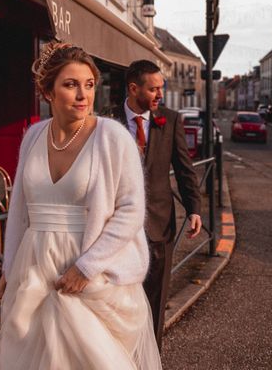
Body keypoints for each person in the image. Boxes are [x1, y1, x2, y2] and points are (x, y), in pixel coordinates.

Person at [0, 42, 161, 369]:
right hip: (34, 265)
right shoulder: (33, 136)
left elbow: (130, 211)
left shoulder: (113, 137)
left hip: (86, 267)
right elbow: (19, 210)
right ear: (48, 92)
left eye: (88, 85)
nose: (83, 95)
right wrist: (9, 266)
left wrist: (85, 268)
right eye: (71, 85)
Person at [111, 59, 202, 347]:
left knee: (155, 300)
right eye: (153, 89)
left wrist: (194, 208)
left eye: (161, 88)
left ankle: (151, 358)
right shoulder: (107, 121)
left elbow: (185, 167)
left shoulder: (171, 119)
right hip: (116, 228)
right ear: (133, 88)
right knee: (117, 299)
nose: (160, 95)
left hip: (159, 225)